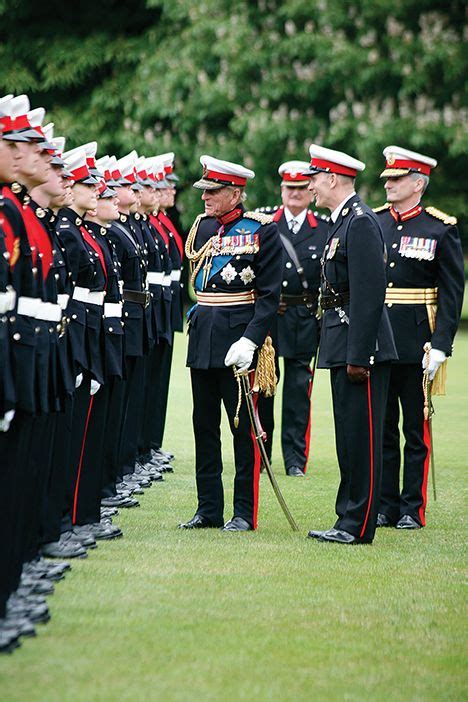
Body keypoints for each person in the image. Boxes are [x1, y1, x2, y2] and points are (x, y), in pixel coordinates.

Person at [180, 155, 282, 531]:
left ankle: (243, 512)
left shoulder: (261, 230)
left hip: (239, 340)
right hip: (203, 336)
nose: (205, 197)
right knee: (204, 428)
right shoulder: (201, 229)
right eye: (204, 189)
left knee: (244, 431)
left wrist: (251, 342)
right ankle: (208, 509)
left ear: (236, 193)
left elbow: (269, 296)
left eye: (214, 190)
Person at [304, 144, 397, 545]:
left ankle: (359, 526)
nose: (310, 186)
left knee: (364, 438)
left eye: (314, 178)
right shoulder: (340, 222)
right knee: (348, 436)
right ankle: (347, 518)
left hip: (362, 347)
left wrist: (360, 355)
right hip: (341, 341)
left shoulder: (359, 222)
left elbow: (368, 294)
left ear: (332, 178)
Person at [374, 146, 464, 529]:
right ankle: (385, 505)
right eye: (388, 179)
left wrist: (442, 344)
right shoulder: (375, 223)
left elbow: (451, 291)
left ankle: (412, 508)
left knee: (415, 428)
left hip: (417, 343)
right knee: (382, 430)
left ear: (418, 184)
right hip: (380, 339)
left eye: (397, 180)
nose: (389, 185)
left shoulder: (439, 227)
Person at [257, 160, 329, 476]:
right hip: (271, 318)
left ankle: (295, 460)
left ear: (311, 192)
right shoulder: (264, 223)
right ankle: (261, 456)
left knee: (299, 392)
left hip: (303, 316)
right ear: (282, 190)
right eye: (290, 188)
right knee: (265, 387)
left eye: (301, 188)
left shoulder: (323, 228)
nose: (295, 194)